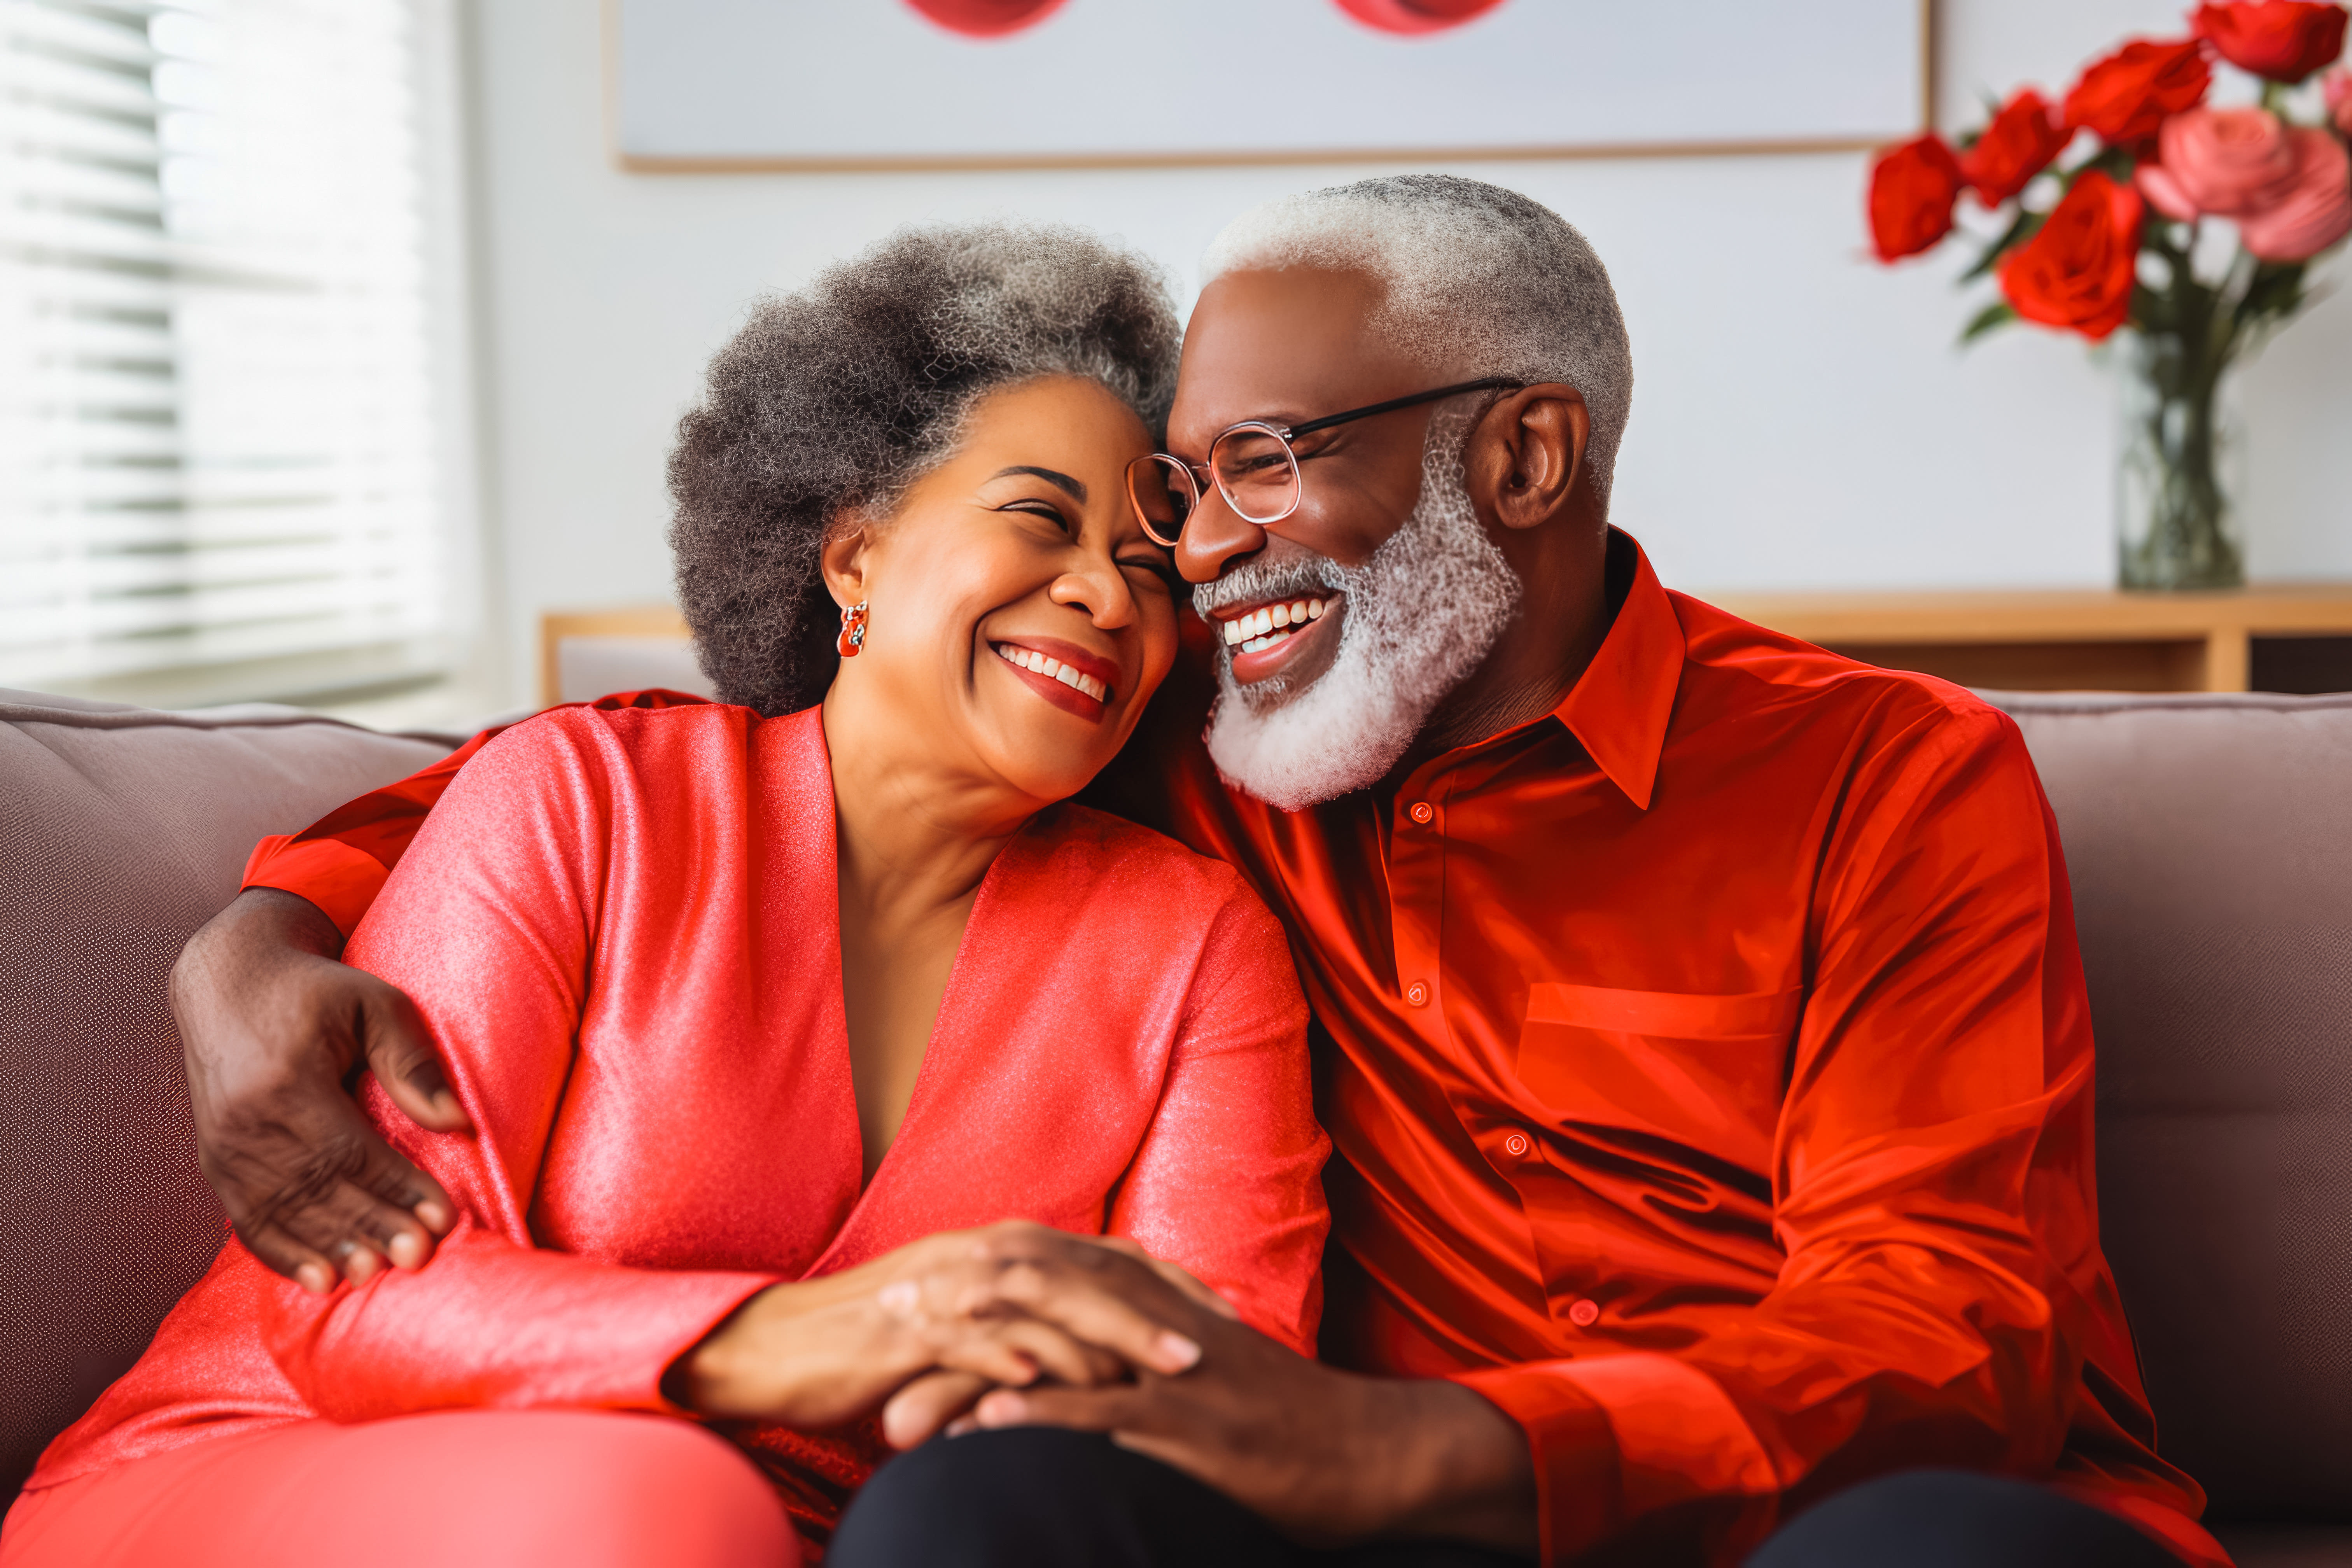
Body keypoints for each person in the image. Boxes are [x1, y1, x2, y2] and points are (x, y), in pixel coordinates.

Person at [119, 178, 2219, 1568]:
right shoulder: (1183, 743)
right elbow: (734, 778)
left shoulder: (1892, 775)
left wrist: (1434, 1451)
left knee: (1940, 1552)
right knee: (981, 1516)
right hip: (1344, 1525)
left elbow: (1949, 1319)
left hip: (1787, 1517)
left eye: (1253, 473)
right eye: (1171, 498)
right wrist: (261, 928)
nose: (1189, 557)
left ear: (1524, 455)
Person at [0, 225, 1332, 1568]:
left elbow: (1217, 1372)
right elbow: (349, 1302)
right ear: (854, 557)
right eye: (1042, 518)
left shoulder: (1198, 942)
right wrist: (799, 1341)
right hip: (296, 1459)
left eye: (1154, 572)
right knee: (664, 1506)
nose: (1108, 593)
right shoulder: (588, 800)